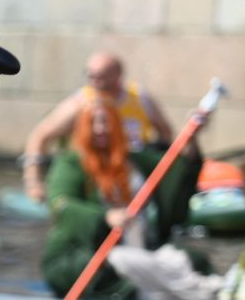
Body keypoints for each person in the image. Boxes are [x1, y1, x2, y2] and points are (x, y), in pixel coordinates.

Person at [40, 96, 217, 300]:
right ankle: (204, 291)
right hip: (93, 253)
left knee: (185, 258)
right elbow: (61, 204)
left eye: (106, 122)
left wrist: (192, 138)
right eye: (93, 123)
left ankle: (192, 288)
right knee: (124, 262)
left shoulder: (135, 160)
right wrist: (105, 217)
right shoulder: (70, 164)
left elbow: (177, 170)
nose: (99, 129)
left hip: (141, 247)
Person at [19, 52, 170, 203]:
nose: (94, 81)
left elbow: (165, 132)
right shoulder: (80, 102)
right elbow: (40, 135)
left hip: (131, 170)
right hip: (91, 173)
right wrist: (33, 181)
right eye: (90, 75)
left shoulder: (139, 97)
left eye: (101, 76)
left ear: (118, 75)